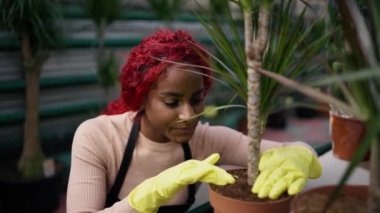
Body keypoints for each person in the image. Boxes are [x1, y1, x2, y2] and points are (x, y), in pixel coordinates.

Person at [66, 29, 322, 213]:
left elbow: (292, 153)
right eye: (171, 102)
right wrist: (144, 198)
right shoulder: (97, 138)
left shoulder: (206, 140)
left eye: (197, 99)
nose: (189, 115)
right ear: (141, 97)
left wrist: (303, 155)